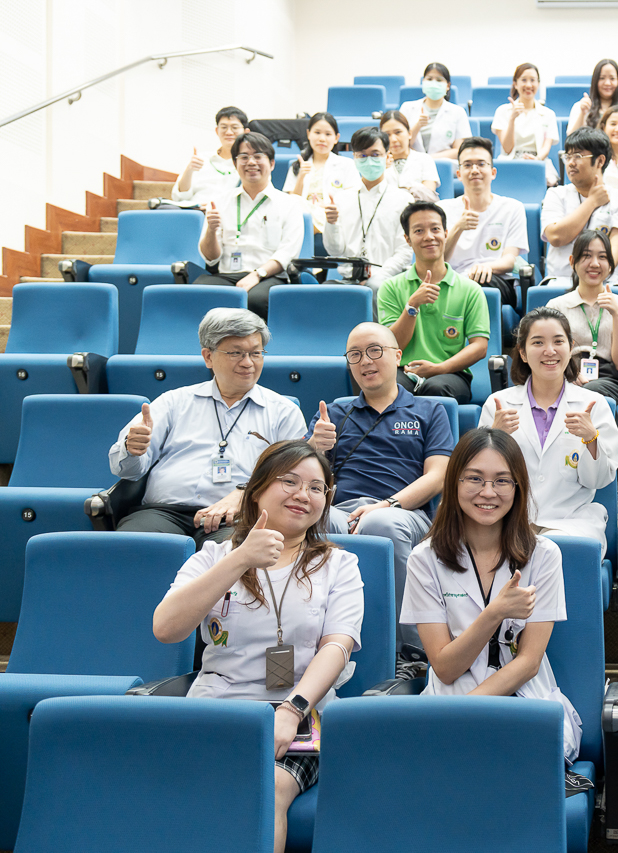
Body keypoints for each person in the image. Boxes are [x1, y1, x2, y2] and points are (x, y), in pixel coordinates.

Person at [153, 439, 364, 853]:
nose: (304, 495)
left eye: (316, 488)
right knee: (189, 790)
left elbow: (337, 647)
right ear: (257, 489)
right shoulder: (214, 556)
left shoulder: (339, 564)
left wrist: (292, 710)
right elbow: (166, 628)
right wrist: (240, 558)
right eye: (290, 481)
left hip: (302, 713)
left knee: (267, 790)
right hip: (219, 705)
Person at [400, 427, 582, 763]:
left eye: (502, 480)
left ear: (518, 488)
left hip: (523, 701)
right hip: (451, 696)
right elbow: (444, 667)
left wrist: (466, 714)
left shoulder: (544, 555)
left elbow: (528, 663)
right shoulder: (424, 559)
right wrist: (493, 614)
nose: (488, 492)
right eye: (474, 479)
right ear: (454, 484)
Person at [307, 322, 452, 652]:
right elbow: (301, 478)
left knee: (378, 523)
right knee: (318, 522)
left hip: (404, 512)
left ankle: (411, 649)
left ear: (398, 356)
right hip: (340, 509)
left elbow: (438, 476)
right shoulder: (334, 413)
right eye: (355, 355)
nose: (365, 361)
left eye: (375, 351)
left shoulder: (429, 410)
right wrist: (315, 448)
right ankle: (319, 645)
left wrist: (386, 505)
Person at [108, 307, 307, 543]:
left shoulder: (283, 411)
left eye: (256, 353)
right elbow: (127, 471)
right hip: (163, 513)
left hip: (238, 517)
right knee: (131, 547)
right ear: (208, 357)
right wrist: (132, 450)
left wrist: (246, 494)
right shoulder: (174, 401)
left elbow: (293, 478)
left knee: (234, 557)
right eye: (236, 353)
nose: (248, 363)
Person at [479, 307, 618, 550]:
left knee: (552, 548)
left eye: (558, 341)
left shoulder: (593, 405)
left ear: (570, 347)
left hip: (572, 523)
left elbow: (597, 480)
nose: (550, 351)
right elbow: (482, 477)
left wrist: (591, 439)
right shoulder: (498, 404)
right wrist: (496, 438)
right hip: (509, 519)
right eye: (538, 343)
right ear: (523, 353)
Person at [377, 201, 490, 402]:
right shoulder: (390, 288)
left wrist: (440, 368)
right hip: (402, 370)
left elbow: (479, 346)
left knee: (435, 389)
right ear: (407, 239)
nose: (429, 236)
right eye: (419, 231)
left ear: (446, 233)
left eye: (435, 229)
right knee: (391, 390)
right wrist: (412, 307)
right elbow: (392, 346)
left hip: (451, 373)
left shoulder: (470, 289)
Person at [194, 132, 306, 318]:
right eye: (244, 157)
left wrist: (257, 274)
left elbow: (287, 252)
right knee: (199, 292)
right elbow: (211, 258)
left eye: (257, 156)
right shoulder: (219, 201)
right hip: (228, 275)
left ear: (271, 163)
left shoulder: (289, 203)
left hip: (269, 277)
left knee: (257, 299)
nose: (251, 162)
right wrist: (212, 231)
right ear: (235, 164)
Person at [547, 230, 618, 406]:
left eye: (602, 257)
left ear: (611, 265)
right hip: (564, 375)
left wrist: (616, 315)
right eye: (587, 256)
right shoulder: (556, 306)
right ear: (572, 262)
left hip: (607, 380)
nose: (595, 263)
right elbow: (549, 352)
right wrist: (568, 373)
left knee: (587, 394)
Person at [434, 137, 530, 307]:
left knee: (478, 284)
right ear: (459, 174)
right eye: (468, 165)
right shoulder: (442, 209)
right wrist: (458, 228)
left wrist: (487, 267)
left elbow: (509, 261)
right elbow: (439, 261)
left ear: (493, 172)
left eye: (481, 164)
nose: (474, 170)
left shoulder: (512, 208)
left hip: (495, 280)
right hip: (453, 280)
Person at [541, 127, 618, 289]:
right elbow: (556, 237)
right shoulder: (555, 195)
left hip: (607, 283)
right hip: (560, 281)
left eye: (578, 156)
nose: (571, 162)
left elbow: (614, 253)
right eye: (568, 156)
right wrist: (592, 202)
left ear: (600, 161)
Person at [320, 127, 414, 290]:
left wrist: (378, 277)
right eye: (362, 155)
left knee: (375, 288)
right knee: (323, 293)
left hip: (388, 280)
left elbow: (404, 252)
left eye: (375, 154)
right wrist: (331, 223)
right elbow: (335, 250)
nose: (369, 160)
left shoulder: (403, 200)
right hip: (349, 280)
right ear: (354, 158)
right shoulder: (342, 198)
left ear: (387, 156)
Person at [288, 113, 360, 252]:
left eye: (328, 134)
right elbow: (292, 200)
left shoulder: (347, 165)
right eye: (317, 133)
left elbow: (353, 198)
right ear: (308, 134)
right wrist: (301, 176)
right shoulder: (298, 165)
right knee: (294, 204)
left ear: (336, 138)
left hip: (331, 214)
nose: (322, 138)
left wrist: (327, 205)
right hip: (304, 213)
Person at [493, 62, 560, 186]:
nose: (528, 85)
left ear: (538, 84)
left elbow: (546, 146)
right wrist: (512, 119)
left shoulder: (548, 114)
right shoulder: (502, 111)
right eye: (524, 80)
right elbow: (507, 148)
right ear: (515, 83)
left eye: (533, 80)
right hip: (511, 161)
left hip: (538, 161)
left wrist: (537, 159)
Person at [172, 106, 248, 206]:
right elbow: (180, 197)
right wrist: (189, 170)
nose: (229, 132)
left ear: (246, 132)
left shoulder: (250, 163)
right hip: (197, 212)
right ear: (217, 131)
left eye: (234, 128)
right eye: (224, 127)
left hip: (228, 214)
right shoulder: (201, 159)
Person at [398, 62, 471, 161]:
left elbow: (460, 150)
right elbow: (401, 143)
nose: (434, 83)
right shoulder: (407, 108)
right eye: (429, 79)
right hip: (411, 163)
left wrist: (427, 159)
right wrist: (417, 126)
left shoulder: (458, 112)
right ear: (423, 82)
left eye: (439, 80)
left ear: (448, 85)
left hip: (444, 165)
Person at [379, 111, 441, 202]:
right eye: (387, 135)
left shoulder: (424, 159)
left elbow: (428, 194)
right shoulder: (378, 162)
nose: (393, 139)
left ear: (409, 134)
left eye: (398, 132)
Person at [567, 58, 618, 135]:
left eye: (612, 78)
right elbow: (571, 140)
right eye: (602, 78)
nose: (607, 83)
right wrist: (582, 114)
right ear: (595, 81)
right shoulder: (581, 107)